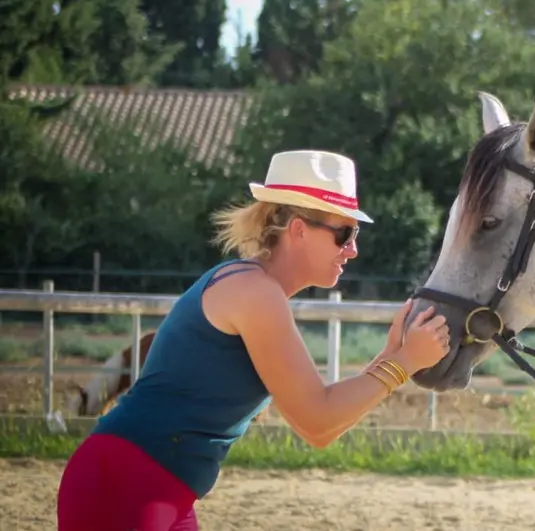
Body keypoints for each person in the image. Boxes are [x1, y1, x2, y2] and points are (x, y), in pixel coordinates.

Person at [56, 149, 451, 531]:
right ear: (298, 229)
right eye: (344, 233)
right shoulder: (256, 293)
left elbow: (322, 426)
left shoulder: (251, 285)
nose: (353, 249)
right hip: (128, 488)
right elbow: (317, 422)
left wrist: (393, 355)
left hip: (149, 488)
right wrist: (403, 362)